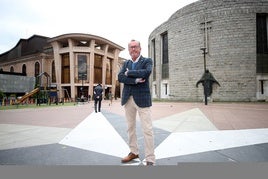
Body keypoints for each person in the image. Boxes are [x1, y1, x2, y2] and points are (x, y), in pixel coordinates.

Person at [118, 39, 155, 166]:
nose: (133, 49)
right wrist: (134, 80)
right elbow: (120, 77)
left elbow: (146, 72)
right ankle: (134, 152)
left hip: (143, 100)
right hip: (128, 99)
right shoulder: (126, 62)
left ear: (140, 48)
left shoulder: (147, 61)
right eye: (130, 47)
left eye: (135, 47)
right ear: (128, 50)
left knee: (147, 129)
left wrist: (129, 73)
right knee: (130, 128)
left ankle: (150, 158)